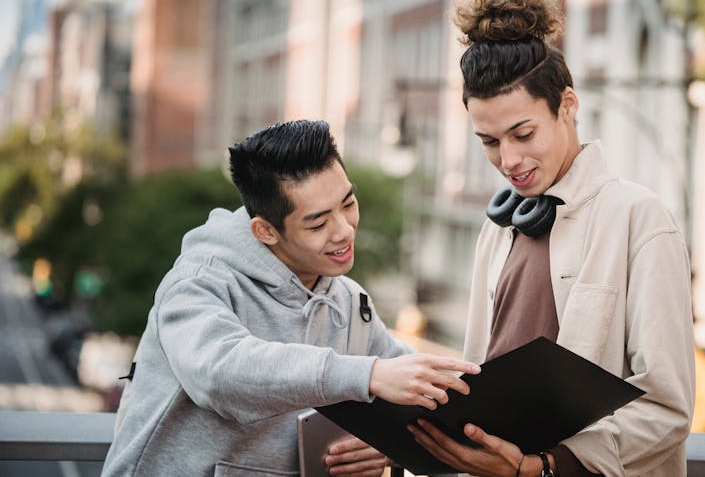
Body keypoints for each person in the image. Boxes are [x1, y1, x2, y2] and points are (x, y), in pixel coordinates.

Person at [407, 0, 695, 476]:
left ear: (568, 105)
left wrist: (539, 468)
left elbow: (667, 409)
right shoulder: (498, 228)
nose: (509, 160)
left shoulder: (640, 218)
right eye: (490, 142)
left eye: (523, 133)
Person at [102, 120, 481, 476]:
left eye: (348, 204)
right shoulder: (197, 283)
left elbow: (418, 402)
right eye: (318, 223)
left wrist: (386, 444)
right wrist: (367, 375)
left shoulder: (350, 303)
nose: (344, 230)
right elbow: (218, 374)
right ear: (265, 230)